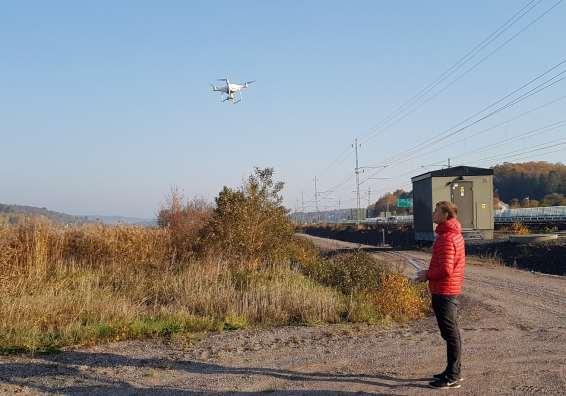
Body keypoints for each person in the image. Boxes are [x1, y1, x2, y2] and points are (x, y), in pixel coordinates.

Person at [415, 201, 466, 390]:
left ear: (446, 215)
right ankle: (451, 371)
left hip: (444, 290)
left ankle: (453, 375)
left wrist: (427, 275)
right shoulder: (452, 235)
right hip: (446, 289)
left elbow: (446, 269)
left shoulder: (446, 238)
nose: (433, 214)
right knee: (450, 333)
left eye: (436, 211)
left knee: (451, 334)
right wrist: (429, 273)